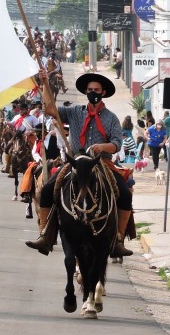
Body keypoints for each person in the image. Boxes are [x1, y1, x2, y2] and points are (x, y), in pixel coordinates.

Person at [25, 71, 133, 258]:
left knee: (124, 193)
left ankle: (118, 240)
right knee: (47, 190)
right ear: (86, 92)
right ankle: (45, 235)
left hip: (101, 163)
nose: (93, 92)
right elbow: (50, 109)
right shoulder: (74, 112)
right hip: (75, 162)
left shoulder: (112, 118)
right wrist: (44, 83)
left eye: (96, 90)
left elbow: (117, 144)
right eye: (90, 90)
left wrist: (101, 147)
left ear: (103, 92)